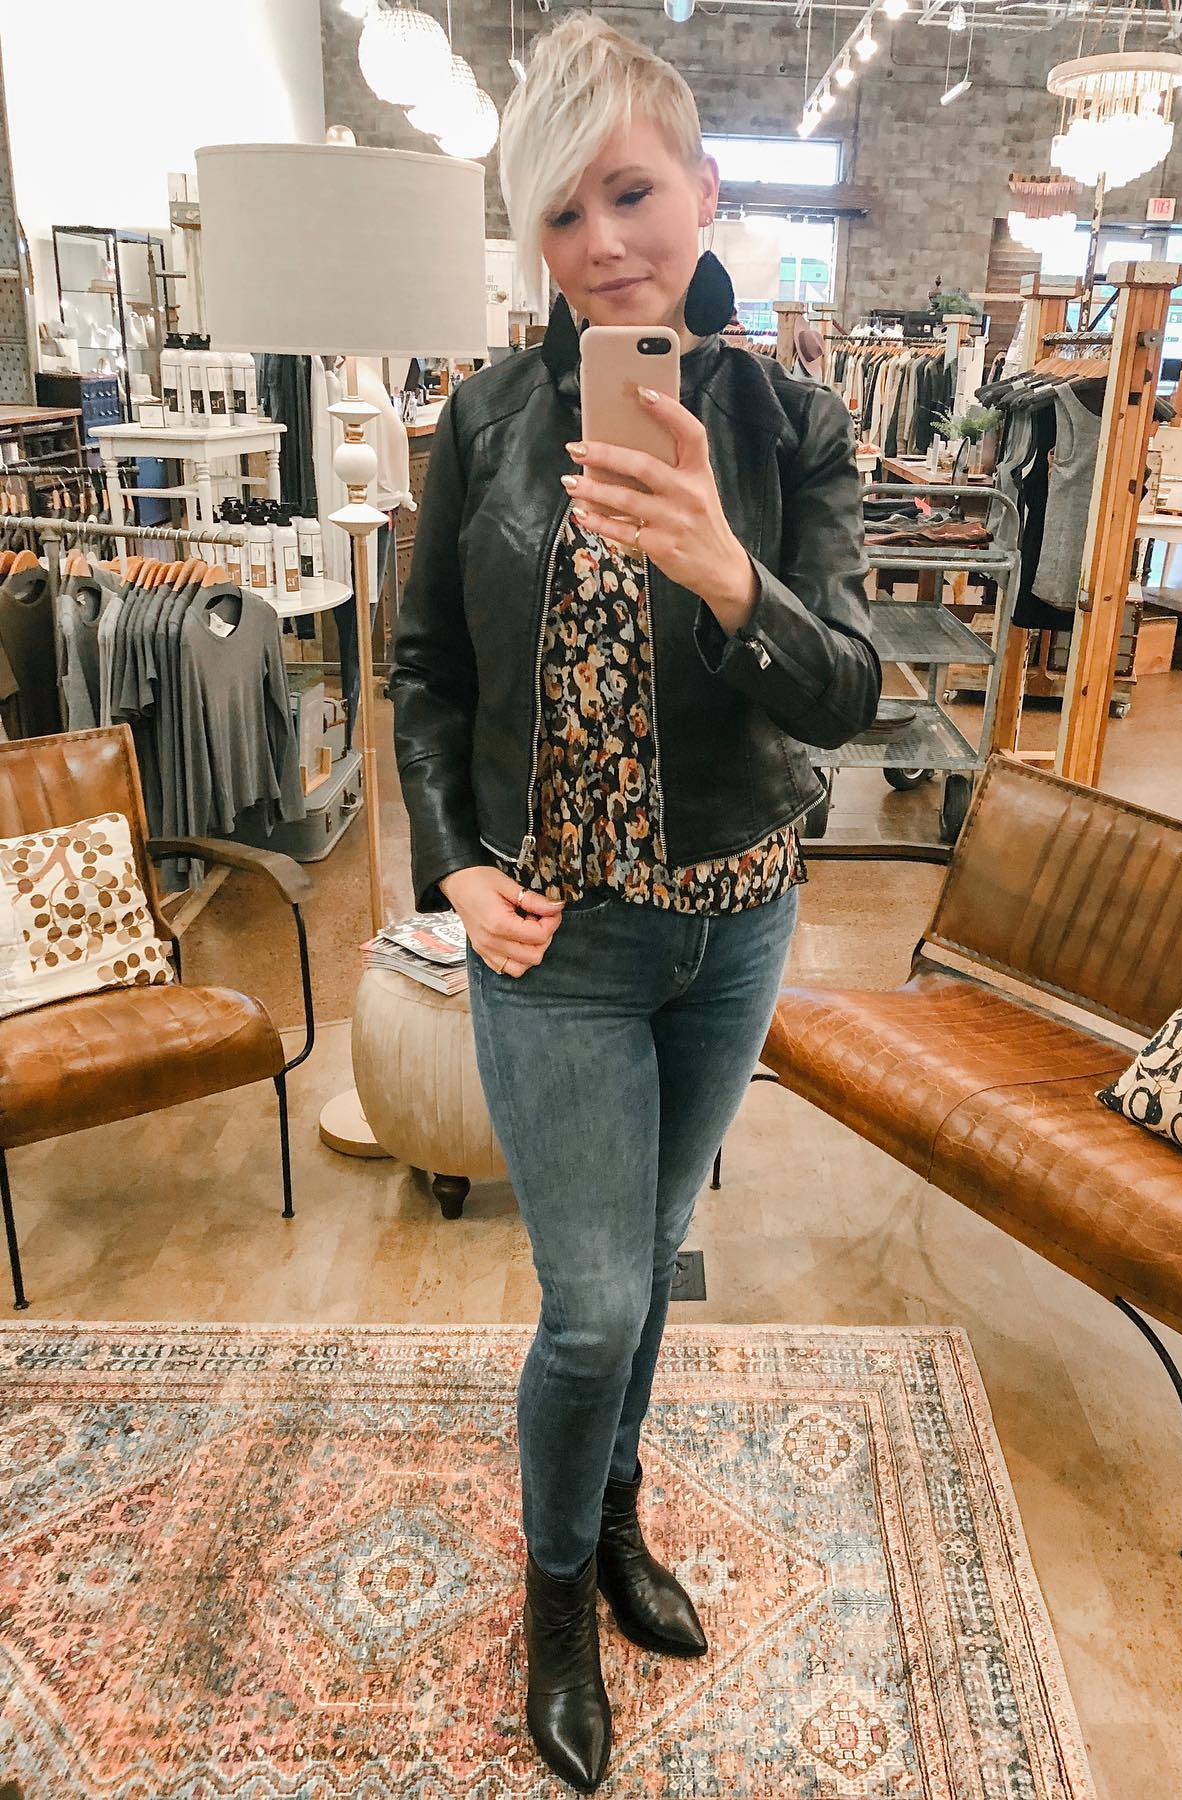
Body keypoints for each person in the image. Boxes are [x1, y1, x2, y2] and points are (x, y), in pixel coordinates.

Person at [390, 15, 879, 1791]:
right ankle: (552, 1596)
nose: (601, 242)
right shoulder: (484, 421)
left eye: (630, 192)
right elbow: (426, 670)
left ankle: (612, 1521)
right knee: (593, 1302)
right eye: (559, 212)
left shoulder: (795, 421)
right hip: (558, 939)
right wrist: (450, 861)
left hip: (736, 923)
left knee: (654, 1268)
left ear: (703, 189)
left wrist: (729, 573)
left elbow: (848, 693)